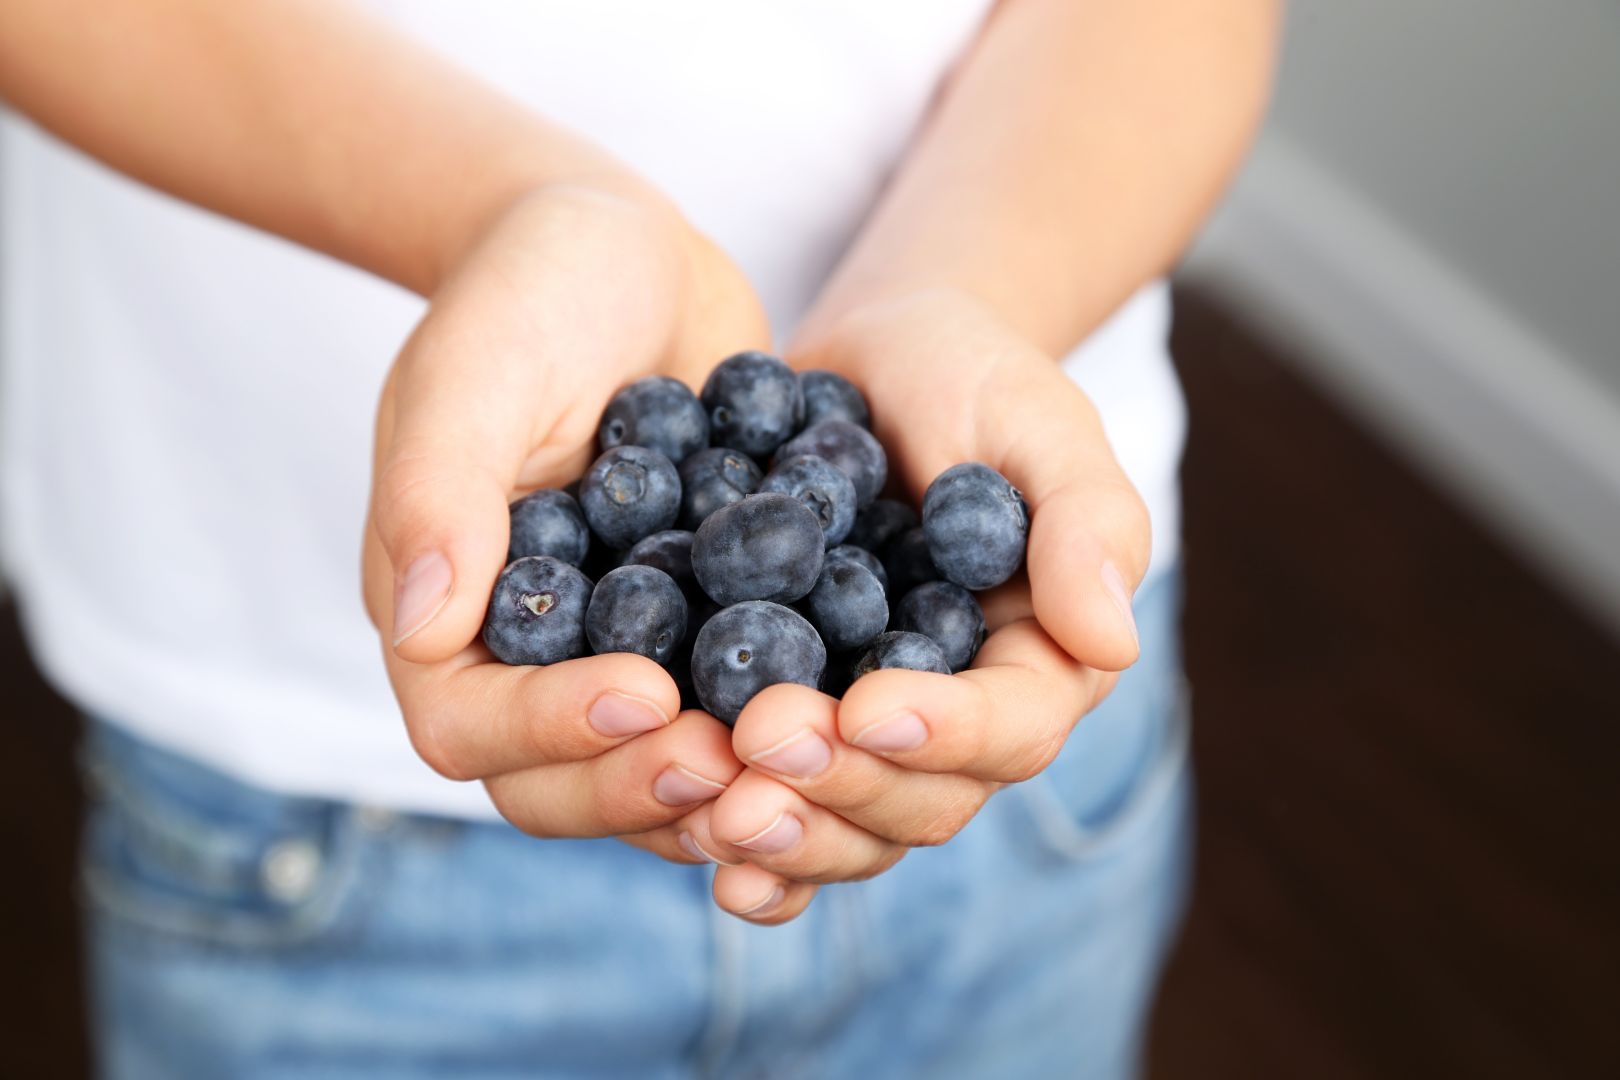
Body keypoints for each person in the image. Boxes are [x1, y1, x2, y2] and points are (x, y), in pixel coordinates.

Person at [0, 1, 1278, 1075]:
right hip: (300, 818)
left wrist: (967, 290)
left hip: (1023, 805)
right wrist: (500, 207)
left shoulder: (879, 541)